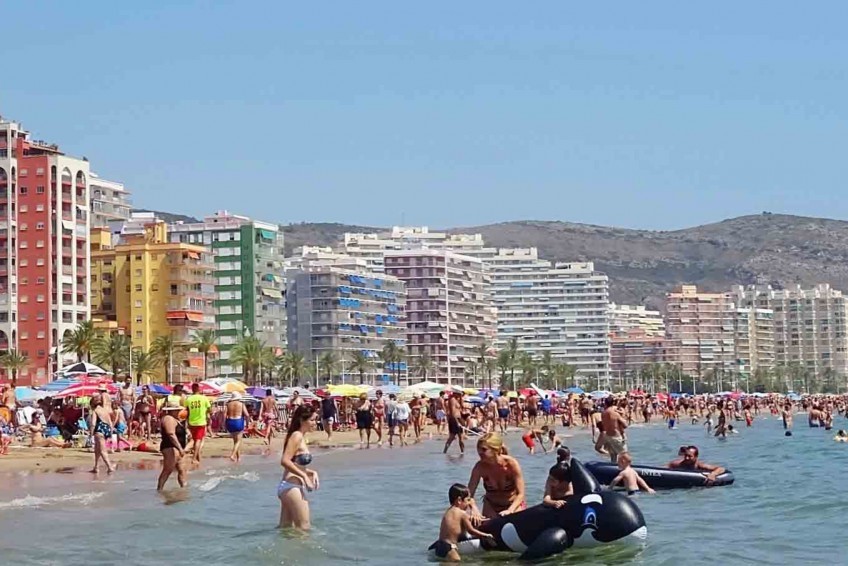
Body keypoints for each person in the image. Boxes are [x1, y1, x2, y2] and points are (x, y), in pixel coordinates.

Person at [278, 405, 320, 530]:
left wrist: (311, 472)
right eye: (312, 420)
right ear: (302, 420)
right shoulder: (296, 436)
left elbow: (294, 463)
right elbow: (285, 461)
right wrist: (304, 476)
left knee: (285, 530)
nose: (315, 423)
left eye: (316, 419)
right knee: (304, 528)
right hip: (291, 487)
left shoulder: (300, 437)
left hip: (289, 487)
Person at [467, 433, 526, 521]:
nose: (479, 452)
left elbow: (521, 494)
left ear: (496, 450)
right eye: (478, 449)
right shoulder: (479, 467)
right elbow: (468, 495)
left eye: (484, 449)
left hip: (513, 505)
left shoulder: (511, 464)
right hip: (491, 505)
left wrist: (510, 510)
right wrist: (474, 509)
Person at [433, 483, 495, 561]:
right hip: (449, 547)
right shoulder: (462, 513)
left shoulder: (448, 512)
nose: (469, 503)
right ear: (459, 500)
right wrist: (486, 535)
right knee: (456, 562)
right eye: (468, 500)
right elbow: (471, 530)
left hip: (440, 545)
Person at [157, 400, 188, 490]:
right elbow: (171, 434)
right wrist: (179, 448)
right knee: (168, 469)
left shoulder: (176, 419)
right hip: (170, 447)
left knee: (182, 469)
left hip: (177, 448)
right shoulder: (168, 418)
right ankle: (160, 489)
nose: (178, 412)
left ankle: (183, 488)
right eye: (176, 410)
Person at [185, 383, 212, 465]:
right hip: (201, 422)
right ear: (199, 389)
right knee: (198, 441)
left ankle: (198, 458)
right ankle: (193, 458)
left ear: (192, 389)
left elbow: (187, 411)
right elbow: (209, 409)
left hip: (191, 422)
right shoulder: (204, 398)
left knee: (194, 440)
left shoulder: (189, 399)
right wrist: (206, 414)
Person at [88, 395, 115, 474]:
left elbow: (93, 423)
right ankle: (96, 467)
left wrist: (91, 434)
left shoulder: (95, 411)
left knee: (102, 451)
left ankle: (109, 467)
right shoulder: (105, 410)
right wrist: (110, 434)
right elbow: (110, 423)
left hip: (99, 430)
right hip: (106, 428)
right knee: (97, 449)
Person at [225, 392, 252, 462]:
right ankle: (232, 455)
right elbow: (247, 415)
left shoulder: (228, 404)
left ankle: (238, 458)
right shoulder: (241, 404)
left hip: (230, 422)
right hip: (238, 421)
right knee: (239, 441)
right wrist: (247, 423)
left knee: (235, 442)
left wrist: (224, 424)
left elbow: (225, 415)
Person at [601, 397, 628, 463]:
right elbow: (625, 425)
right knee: (624, 455)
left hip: (608, 436)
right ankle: (626, 470)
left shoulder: (603, 413)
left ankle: (613, 469)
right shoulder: (615, 413)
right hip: (616, 436)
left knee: (613, 456)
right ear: (613, 403)